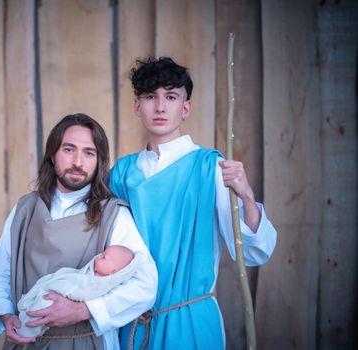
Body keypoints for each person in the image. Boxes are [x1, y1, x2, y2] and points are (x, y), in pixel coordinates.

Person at [109, 57, 277, 349]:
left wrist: (247, 195)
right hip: (133, 324)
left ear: (185, 107)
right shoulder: (121, 174)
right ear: (137, 106)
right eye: (150, 97)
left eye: (171, 97)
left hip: (190, 321)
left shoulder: (209, 167)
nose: (160, 107)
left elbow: (252, 253)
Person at [0, 113, 157, 350]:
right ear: (53, 155)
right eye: (68, 149)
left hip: (85, 342)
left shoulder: (113, 215)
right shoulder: (25, 208)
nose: (78, 161)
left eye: (89, 152)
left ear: (99, 162)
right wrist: (5, 314)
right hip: (26, 342)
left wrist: (82, 310)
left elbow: (145, 285)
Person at [17, 245, 140, 338]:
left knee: (42, 308)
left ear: (112, 272)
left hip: (62, 297)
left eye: (104, 258)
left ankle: (24, 331)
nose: (98, 257)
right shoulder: (93, 272)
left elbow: (81, 290)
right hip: (61, 286)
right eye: (102, 253)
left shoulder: (99, 284)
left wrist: (70, 294)